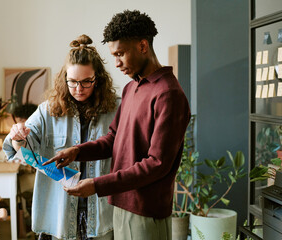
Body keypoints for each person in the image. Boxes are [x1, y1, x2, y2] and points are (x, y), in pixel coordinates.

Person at [44, 10, 191, 240]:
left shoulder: (168, 94)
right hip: (121, 206)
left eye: (121, 53)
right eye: (114, 54)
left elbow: (157, 164)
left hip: (146, 213)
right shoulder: (131, 88)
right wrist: (77, 152)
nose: (117, 63)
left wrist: (97, 185)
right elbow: (113, 138)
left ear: (143, 46)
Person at [2, 34, 118, 240]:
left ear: (98, 79)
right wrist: (17, 135)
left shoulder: (116, 109)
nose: (78, 89)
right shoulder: (47, 111)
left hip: (103, 216)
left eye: (86, 82)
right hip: (59, 218)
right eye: (72, 82)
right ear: (64, 79)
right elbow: (18, 150)